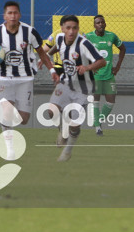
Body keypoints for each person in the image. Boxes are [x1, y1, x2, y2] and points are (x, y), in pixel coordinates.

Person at [0, 1, 57, 161]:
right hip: (4, 78)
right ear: (4, 16)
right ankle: (9, 149)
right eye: (9, 13)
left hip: (25, 79)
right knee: (7, 111)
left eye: (15, 13)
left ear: (20, 15)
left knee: (24, 119)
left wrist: (52, 70)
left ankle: (9, 116)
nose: (13, 16)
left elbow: (42, 53)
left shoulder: (30, 32)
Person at [45, 15, 106, 161]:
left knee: (75, 124)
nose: (71, 31)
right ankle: (62, 130)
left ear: (78, 29)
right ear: (62, 29)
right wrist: (47, 56)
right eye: (68, 28)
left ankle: (68, 151)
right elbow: (56, 47)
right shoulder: (59, 38)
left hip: (83, 89)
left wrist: (87, 67)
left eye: (74, 28)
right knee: (51, 111)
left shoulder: (84, 44)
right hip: (65, 83)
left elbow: (101, 61)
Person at [84, 15, 126, 136]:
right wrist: (90, 67)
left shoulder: (111, 36)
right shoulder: (89, 36)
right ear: (94, 25)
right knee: (95, 100)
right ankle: (98, 128)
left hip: (108, 75)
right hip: (96, 75)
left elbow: (123, 49)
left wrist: (117, 66)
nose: (100, 24)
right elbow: (81, 52)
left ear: (105, 24)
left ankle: (98, 121)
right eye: (98, 23)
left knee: (111, 102)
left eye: (102, 22)